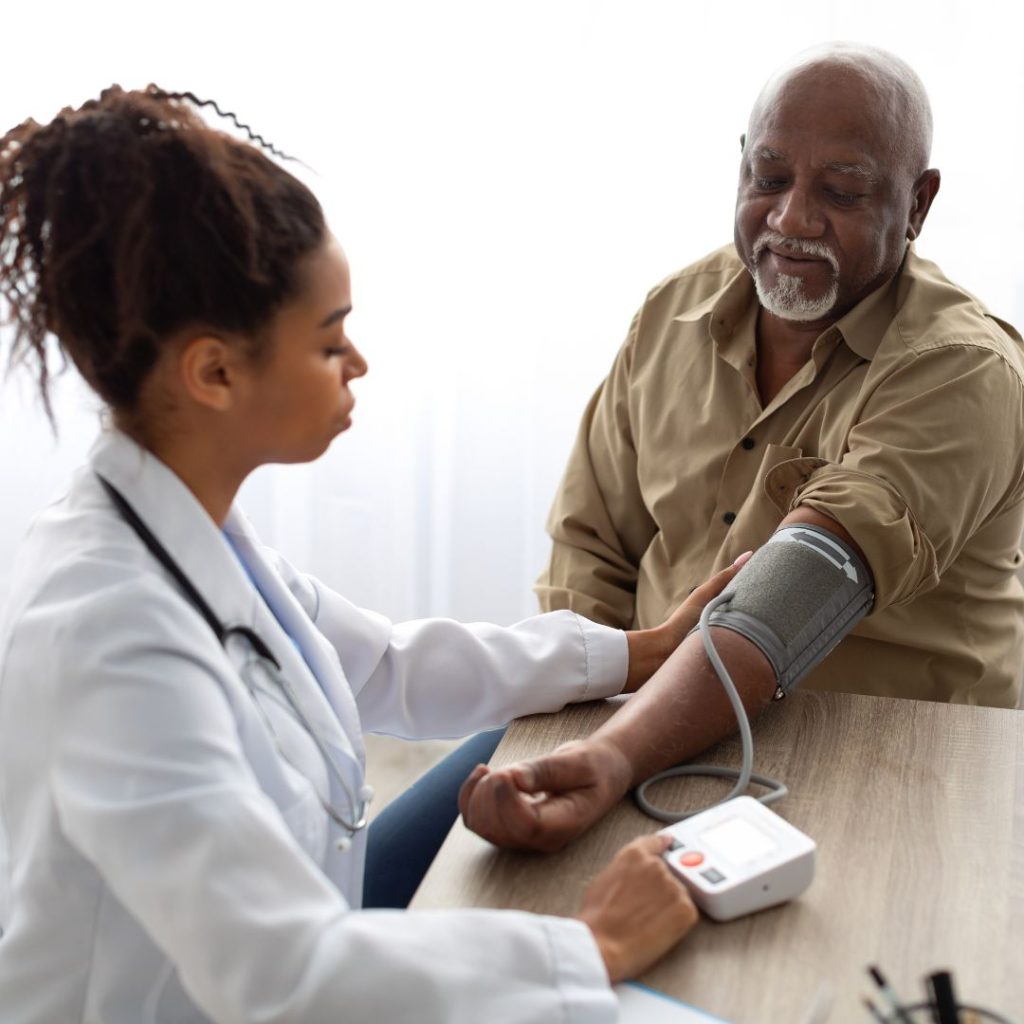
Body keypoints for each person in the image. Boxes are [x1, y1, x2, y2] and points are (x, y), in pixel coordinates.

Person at [0, 86, 751, 1023]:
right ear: (215, 371)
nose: (357, 364)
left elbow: (390, 664)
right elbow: (277, 975)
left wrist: (642, 650)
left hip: (311, 923)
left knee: (509, 735)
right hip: (241, 992)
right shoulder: (107, 635)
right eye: (328, 341)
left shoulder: (195, 530)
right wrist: (584, 948)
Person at [458, 44, 1024, 854]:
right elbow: (591, 547)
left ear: (919, 203)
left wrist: (613, 756)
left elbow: (802, 587)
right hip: (632, 717)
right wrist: (576, 728)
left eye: (843, 191)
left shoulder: (963, 370)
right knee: (407, 901)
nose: (792, 218)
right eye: (769, 178)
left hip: (883, 764)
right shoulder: (675, 311)